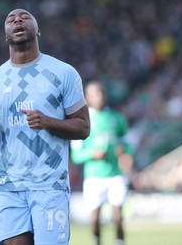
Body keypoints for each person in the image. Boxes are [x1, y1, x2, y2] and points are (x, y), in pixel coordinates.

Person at [0, 8, 90, 245]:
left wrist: (49, 122)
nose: (17, 19)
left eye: (25, 17)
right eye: (10, 19)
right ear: (6, 35)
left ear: (38, 30)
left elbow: (84, 127)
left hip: (50, 186)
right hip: (10, 187)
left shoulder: (63, 73)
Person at [70, 81, 133, 245]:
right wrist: (93, 154)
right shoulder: (82, 120)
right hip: (94, 176)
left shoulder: (117, 118)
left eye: (102, 92)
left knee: (118, 214)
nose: (101, 96)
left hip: (115, 174)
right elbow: (76, 155)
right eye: (96, 93)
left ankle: (120, 241)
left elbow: (127, 144)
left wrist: (124, 151)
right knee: (95, 217)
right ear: (88, 97)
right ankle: (96, 241)